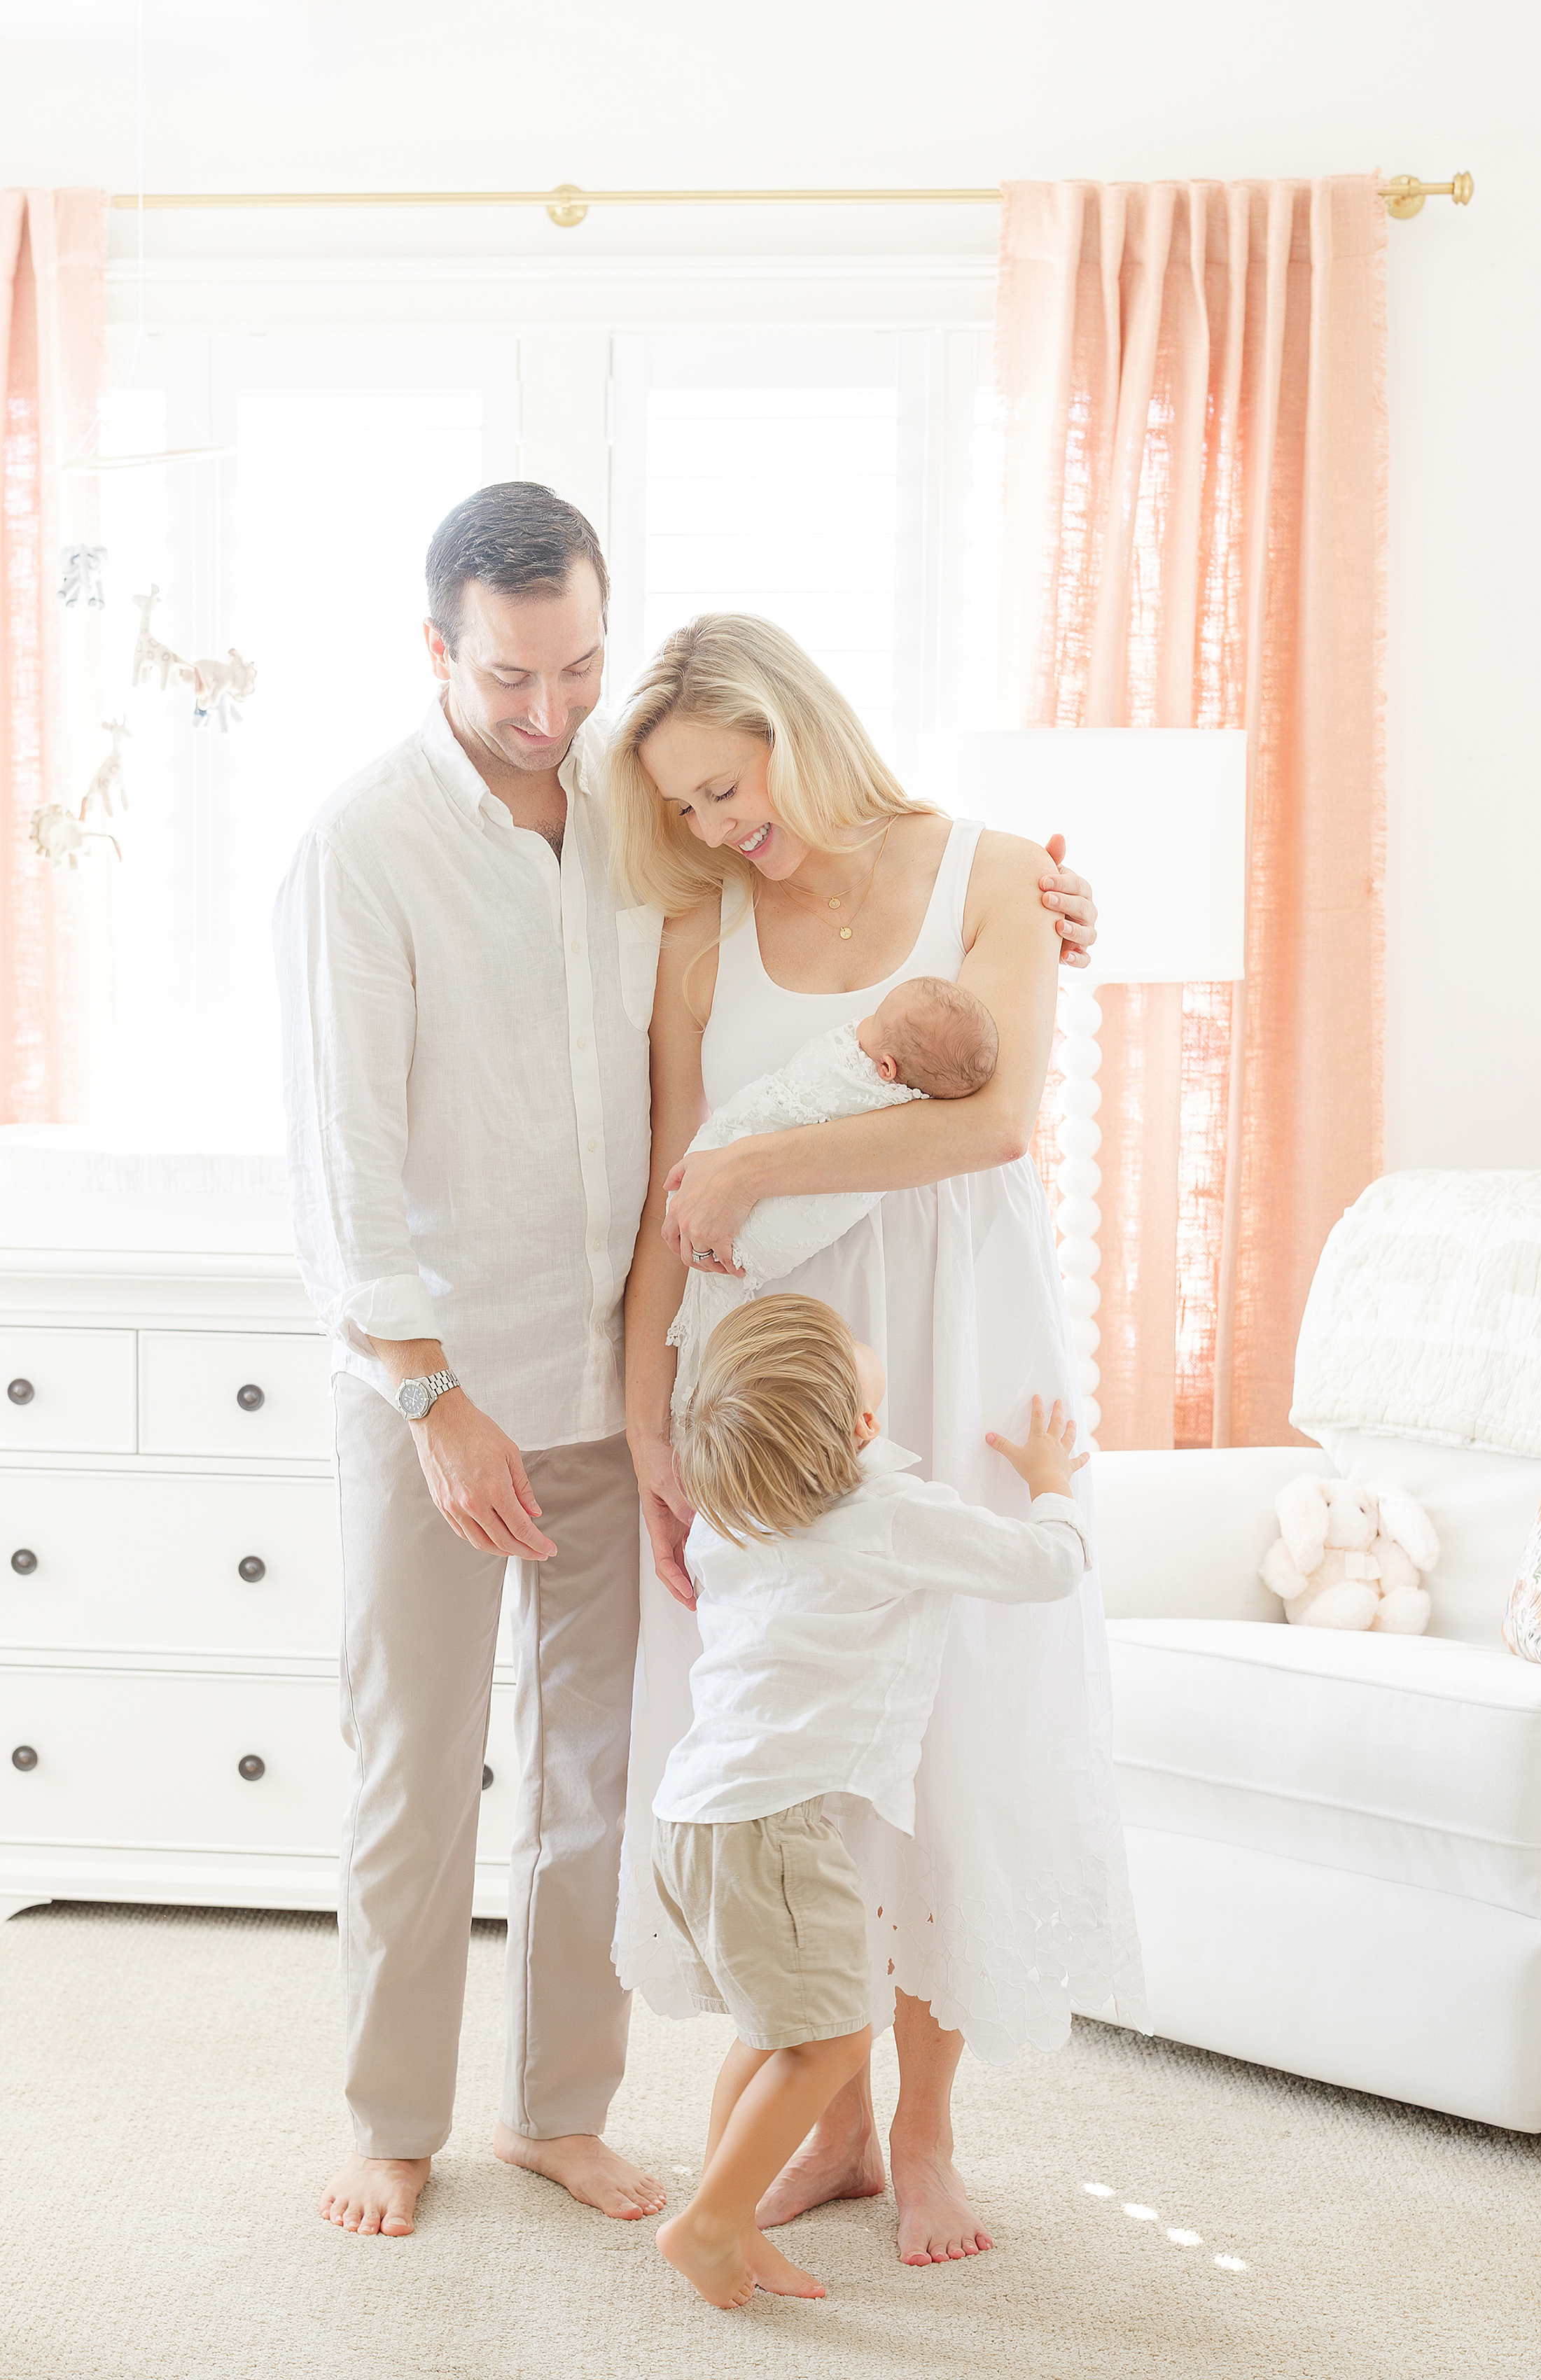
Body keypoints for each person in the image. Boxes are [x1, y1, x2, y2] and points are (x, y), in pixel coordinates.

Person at [271, 482, 1102, 2240]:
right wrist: (431, 1396)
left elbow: (862, 993)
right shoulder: (362, 845)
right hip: (449, 1381)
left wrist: (1031, 904)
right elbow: (343, 1156)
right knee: (417, 1764)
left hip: (637, 1375)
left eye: (578, 665)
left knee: (604, 1772)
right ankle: (390, 2116)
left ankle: (558, 2108)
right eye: (511, 677)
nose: (551, 710)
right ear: (439, 650)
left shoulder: (641, 810)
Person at [610, 611, 1145, 2270]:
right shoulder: (703, 926)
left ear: (791, 727)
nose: (710, 827)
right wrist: (647, 1414)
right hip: (765, 1372)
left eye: (721, 786)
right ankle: (825, 2115)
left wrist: (768, 1170)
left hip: (956, 1326)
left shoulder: (990, 871)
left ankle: (919, 2123)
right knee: (798, 1715)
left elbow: (989, 1115)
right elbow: (666, 1186)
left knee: (959, 1716)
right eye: (681, 808)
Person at [650, 1294, 1092, 2309]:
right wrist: (1051, 1483)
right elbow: (1047, 1566)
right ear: (858, 1429)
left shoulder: (733, 1513)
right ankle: (709, 2224)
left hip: (695, 1815)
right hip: (769, 1831)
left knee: (770, 2036)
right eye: (855, 1358)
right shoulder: (890, 1512)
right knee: (834, 2038)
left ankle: (728, 2216)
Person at [664, 974, 999, 1409]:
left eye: (876, 1020)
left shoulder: (868, 1085)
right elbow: (777, 1103)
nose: (858, 1025)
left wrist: (738, 1168)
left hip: (834, 1301)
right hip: (798, 1318)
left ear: (887, 1070)